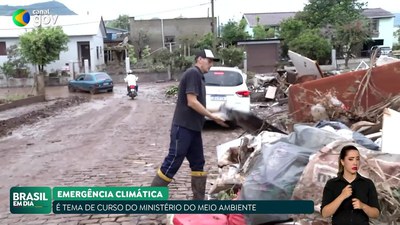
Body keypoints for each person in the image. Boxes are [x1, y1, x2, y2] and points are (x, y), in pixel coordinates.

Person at [150, 49, 227, 200]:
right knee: (173, 160)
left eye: (212, 62)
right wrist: (212, 117)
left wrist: (217, 113)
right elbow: (191, 102)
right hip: (183, 127)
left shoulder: (200, 77)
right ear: (199, 59)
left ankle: (198, 201)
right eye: (209, 61)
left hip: (194, 129)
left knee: (198, 163)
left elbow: (198, 103)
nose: (211, 65)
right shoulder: (193, 73)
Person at [321, 145, 380, 225]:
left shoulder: (367, 183)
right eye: (351, 159)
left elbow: (376, 214)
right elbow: (324, 213)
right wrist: (342, 196)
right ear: (342, 162)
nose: (355, 163)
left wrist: (363, 206)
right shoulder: (332, 184)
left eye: (357, 159)